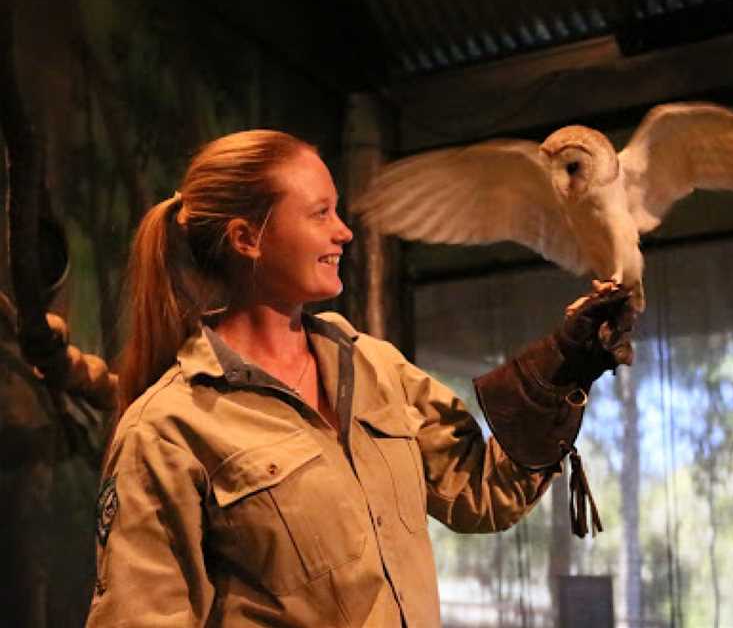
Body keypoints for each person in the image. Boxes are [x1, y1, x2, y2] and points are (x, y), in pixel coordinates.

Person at [85, 129, 633, 628]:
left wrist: (561, 372)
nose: (344, 232)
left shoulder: (373, 367)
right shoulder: (166, 429)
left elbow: (481, 493)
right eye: (320, 213)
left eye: (338, 211)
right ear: (246, 238)